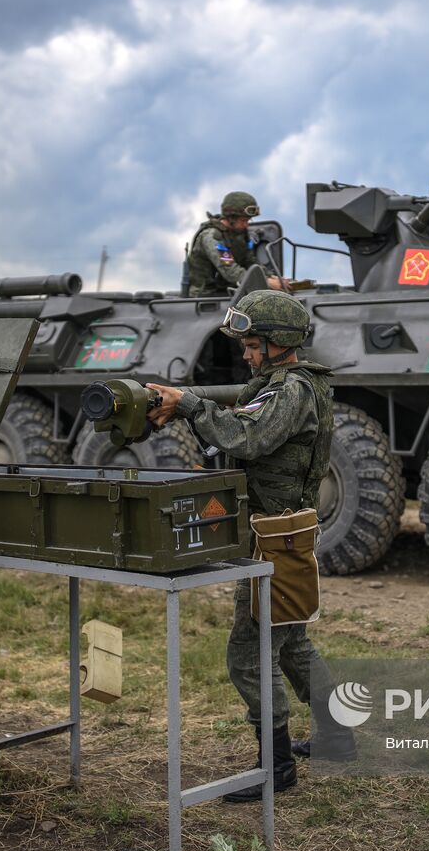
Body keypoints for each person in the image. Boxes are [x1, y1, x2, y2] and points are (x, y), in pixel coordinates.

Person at [146, 289, 356, 802]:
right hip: (283, 531)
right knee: (291, 645)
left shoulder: (291, 391)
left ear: (279, 342)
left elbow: (248, 439)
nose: (246, 353)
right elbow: (245, 436)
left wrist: (189, 404)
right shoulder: (279, 386)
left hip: (277, 541)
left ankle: (277, 768)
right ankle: (337, 737)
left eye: (253, 344)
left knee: (249, 654)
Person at [186, 190, 289, 297]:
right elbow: (230, 270)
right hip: (206, 297)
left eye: (248, 220)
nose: (246, 225)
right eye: (243, 220)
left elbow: (250, 262)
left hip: (230, 292)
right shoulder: (212, 236)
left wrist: (271, 276)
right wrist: (267, 282)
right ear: (231, 218)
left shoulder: (241, 234)